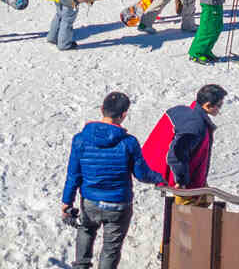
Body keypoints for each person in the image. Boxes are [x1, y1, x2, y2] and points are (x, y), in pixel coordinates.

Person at [61, 91, 165, 269]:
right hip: (118, 205)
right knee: (111, 249)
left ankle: (81, 266)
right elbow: (142, 175)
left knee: (85, 231)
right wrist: (160, 178)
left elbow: (73, 175)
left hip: (90, 202)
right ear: (124, 114)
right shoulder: (129, 142)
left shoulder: (80, 139)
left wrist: (66, 202)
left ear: (102, 109)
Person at [141, 84, 227, 205]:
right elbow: (176, 154)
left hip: (189, 177)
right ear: (207, 105)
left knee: (207, 197)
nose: (220, 108)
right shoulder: (196, 125)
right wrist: (181, 182)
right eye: (219, 105)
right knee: (188, 214)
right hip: (185, 183)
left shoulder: (182, 111)